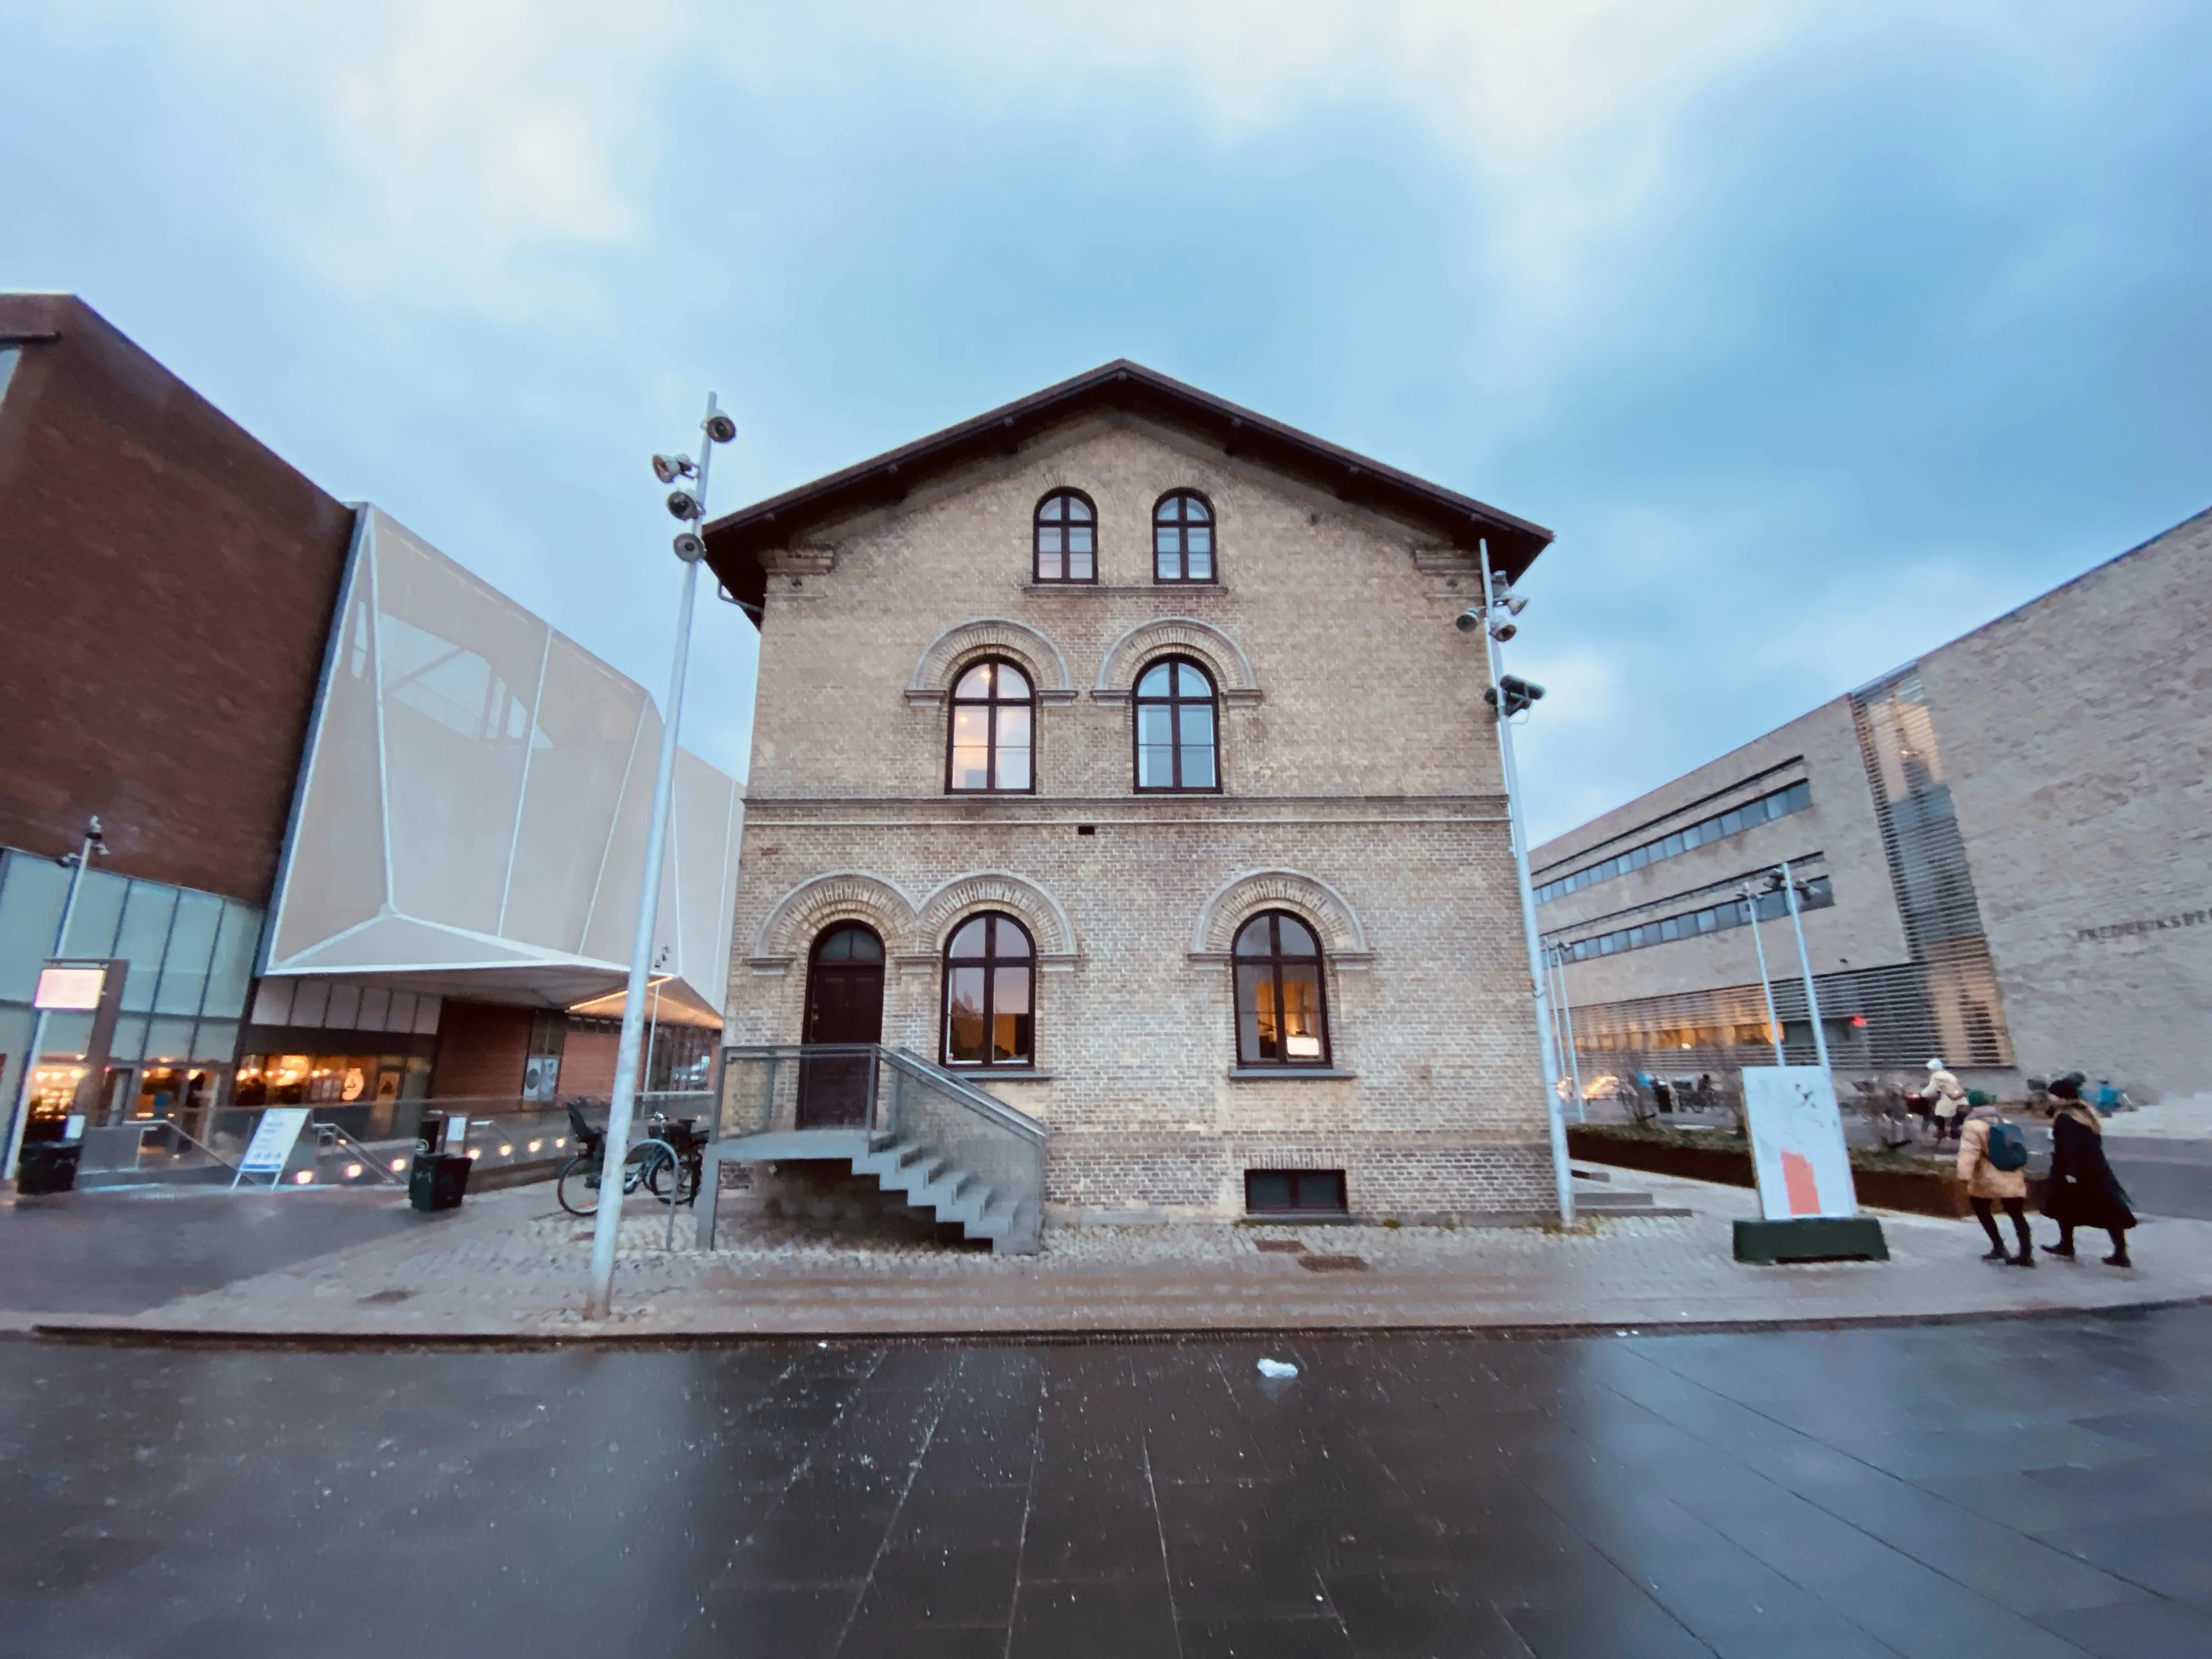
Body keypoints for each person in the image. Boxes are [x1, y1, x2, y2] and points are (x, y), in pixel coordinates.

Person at [2040, 1077, 2137, 1267]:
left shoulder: (2065, 1118)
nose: (2050, 1097)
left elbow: (2070, 1147)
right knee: (2107, 1209)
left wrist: (2070, 1171)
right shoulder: (2085, 1113)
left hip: (2073, 1171)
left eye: (2052, 1094)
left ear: (2061, 1097)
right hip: (2096, 1169)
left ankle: (2067, 1245)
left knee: (2065, 1207)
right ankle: (2120, 1251)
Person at [1956, 1100, 2034, 1266]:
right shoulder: (2005, 1122)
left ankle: (1999, 1247)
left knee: (1982, 1209)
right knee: (2016, 1213)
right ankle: (2026, 1253)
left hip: (1987, 1176)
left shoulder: (1973, 1125)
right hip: (2012, 1174)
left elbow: (1969, 1153)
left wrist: (1964, 1176)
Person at [1925, 1058, 1970, 1143]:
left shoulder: (1936, 1076)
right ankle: (1950, 1131)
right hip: (1960, 1100)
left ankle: (1942, 1132)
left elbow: (1930, 1090)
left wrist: (1922, 1094)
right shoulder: (1949, 1075)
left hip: (1950, 1101)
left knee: (1936, 1114)